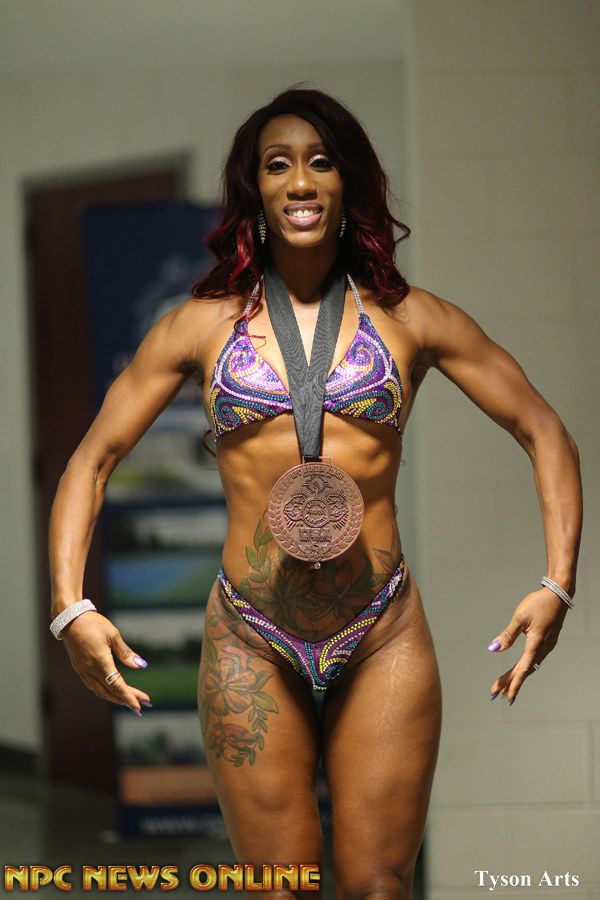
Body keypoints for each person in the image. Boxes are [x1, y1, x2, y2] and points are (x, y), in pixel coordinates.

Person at [49, 87, 582, 899]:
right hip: (250, 637)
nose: (300, 180)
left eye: (320, 161)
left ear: (346, 182)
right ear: (255, 190)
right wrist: (69, 607)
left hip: (381, 635)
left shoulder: (412, 319)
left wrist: (558, 584)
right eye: (278, 164)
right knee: (280, 888)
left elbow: (545, 430)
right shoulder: (200, 325)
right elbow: (91, 460)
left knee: (380, 886)